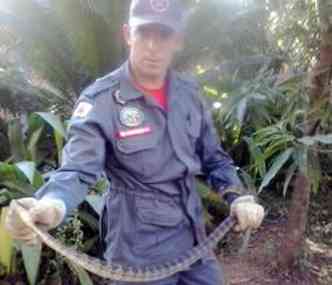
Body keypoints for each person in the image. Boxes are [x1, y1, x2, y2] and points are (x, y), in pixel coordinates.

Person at [5, 0, 264, 284]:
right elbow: (78, 170)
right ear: (128, 34)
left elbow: (214, 158)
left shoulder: (188, 94)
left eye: (163, 35)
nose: (152, 46)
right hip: (136, 248)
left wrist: (239, 197)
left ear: (177, 41)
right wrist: (52, 205)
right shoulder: (101, 100)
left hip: (193, 239)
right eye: (144, 33)